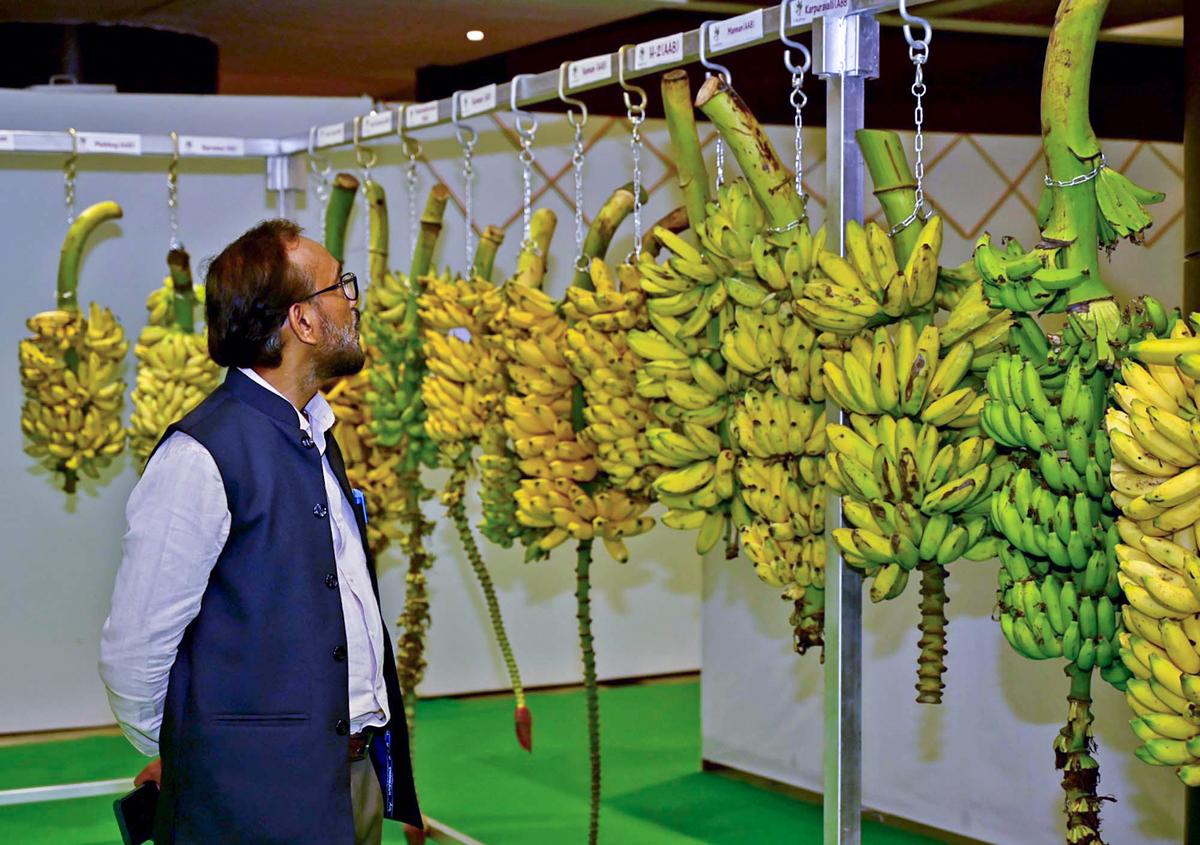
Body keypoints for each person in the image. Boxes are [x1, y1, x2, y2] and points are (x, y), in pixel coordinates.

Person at [99, 219, 420, 845]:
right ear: (301, 320)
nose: (354, 302)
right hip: (254, 800)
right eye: (340, 286)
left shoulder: (316, 435)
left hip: (342, 779)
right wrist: (188, 754)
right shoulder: (201, 455)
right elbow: (135, 649)